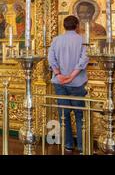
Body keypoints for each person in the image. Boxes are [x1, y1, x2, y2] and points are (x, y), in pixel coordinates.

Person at [48, 15, 89, 152]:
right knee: (79, 115)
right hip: (77, 82)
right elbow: (84, 59)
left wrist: (59, 74)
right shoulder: (82, 40)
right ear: (77, 26)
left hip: (60, 83)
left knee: (63, 115)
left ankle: (68, 145)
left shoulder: (56, 40)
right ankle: (82, 146)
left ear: (64, 26)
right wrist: (72, 76)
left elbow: (50, 58)